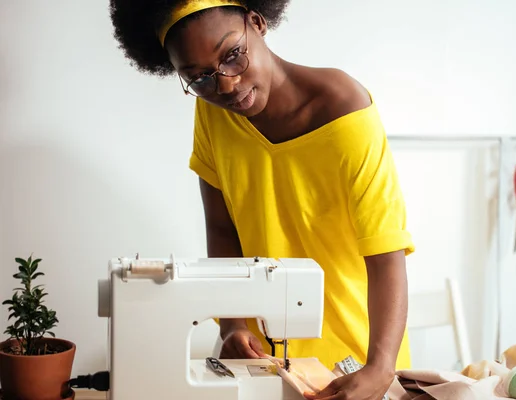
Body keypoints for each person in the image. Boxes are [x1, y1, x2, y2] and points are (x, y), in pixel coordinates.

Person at [109, 0, 415, 398]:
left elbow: (386, 250)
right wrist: (232, 324)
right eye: (199, 78)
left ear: (257, 22)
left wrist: (380, 367)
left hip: (360, 359)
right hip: (264, 362)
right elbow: (223, 228)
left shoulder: (344, 110)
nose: (226, 86)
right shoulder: (213, 114)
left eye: (232, 56)